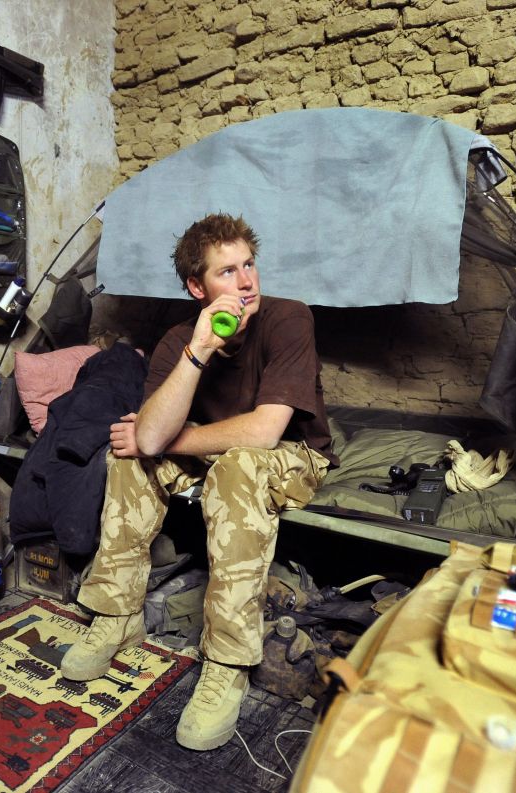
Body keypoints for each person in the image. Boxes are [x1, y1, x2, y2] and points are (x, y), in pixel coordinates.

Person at [59, 213, 338, 751]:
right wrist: (199, 350)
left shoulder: (289, 318)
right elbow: (147, 438)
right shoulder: (178, 340)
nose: (247, 281)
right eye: (227, 272)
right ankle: (117, 615)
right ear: (197, 287)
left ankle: (228, 663)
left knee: (234, 465)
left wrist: (164, 440)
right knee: (127, 458)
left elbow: (264, 431)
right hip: (213, 450)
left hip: (290, 455)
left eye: (249, 265)